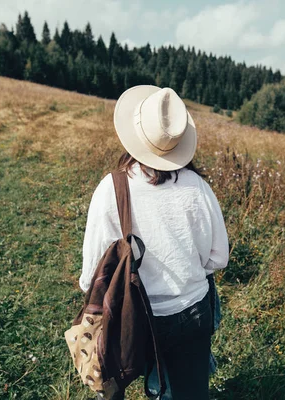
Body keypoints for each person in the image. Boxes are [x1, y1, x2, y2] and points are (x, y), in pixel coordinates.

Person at [80, 85, 229, 399]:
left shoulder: (112, 189)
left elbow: (92, 275)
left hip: (133, 315)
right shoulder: (198, 187)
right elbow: (218, 259)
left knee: (146, 382)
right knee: (188, 390)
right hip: (194, 310)